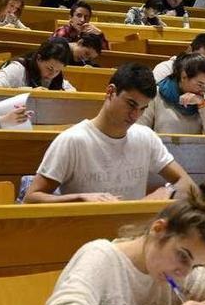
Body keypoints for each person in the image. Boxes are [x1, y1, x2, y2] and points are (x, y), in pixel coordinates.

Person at [45, 180, 205, 305]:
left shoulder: (179, 270)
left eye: (195, 265)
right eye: (183, 256)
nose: (185, 272)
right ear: (158, 230)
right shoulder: (101, 256)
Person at [23, 63, 195, 203]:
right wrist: (79, 198)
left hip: (132, 237)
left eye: (143, 109)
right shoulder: (73, 140)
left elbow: (187, 184)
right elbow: (31, 197)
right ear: (110, 92)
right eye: (130, 104)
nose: (135, 115)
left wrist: (167, 191)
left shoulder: (146, 137)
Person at [138, 53, 205, 135]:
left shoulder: (203, 100)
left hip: (194, 149)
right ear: (184, 77)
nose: (203, 90)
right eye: (200, 84)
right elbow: (140, 129)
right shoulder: (156, 94)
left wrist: (203, 105)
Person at [152, 33, 205, 100]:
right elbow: (152, 95)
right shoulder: (165, 68)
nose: (202, 65)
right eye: (198, 57)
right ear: (189, 50)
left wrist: (203, 100)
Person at [0, 39, 75, 91]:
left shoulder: (56, 77)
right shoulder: (17, 68)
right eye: (49, 68)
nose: (52, 75)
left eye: (58, 71)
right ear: (39, 58)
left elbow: (72, 91)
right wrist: (28, 92)